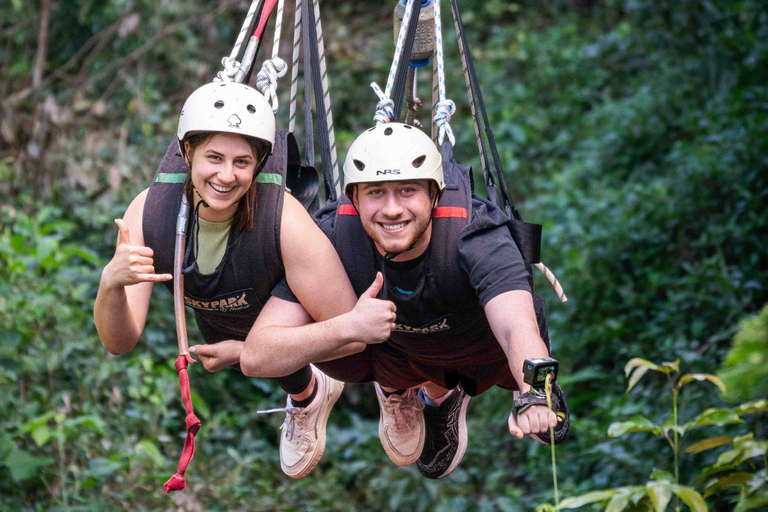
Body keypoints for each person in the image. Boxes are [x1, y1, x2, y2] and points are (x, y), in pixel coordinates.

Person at [93, 82, 396, 479]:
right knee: (234, 335)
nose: (226, 175)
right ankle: (307, 393)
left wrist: (249, 352)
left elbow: (349, 334)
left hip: (286, 300)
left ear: (259, 164)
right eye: (213, 158)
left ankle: (352, 390)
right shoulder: (148, 213)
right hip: (222, 312)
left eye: (241, 162)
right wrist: (111, 284)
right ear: (188, 153)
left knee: (269, 344)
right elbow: (119, 341)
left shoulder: (285, 220)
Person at [241, 123, 569, 479]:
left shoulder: (477, 234)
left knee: (517, 345)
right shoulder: (333, 237)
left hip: (476, 346)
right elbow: (257, 355)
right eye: (376, 192)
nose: (392, 209)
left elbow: (515, 324)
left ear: (434, 195)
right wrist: (347, 326)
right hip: (399, 354)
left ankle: (444, 393)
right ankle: (418, 392)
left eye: (408, 191)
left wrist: (535, 391)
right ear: (354, 198)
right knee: (342, 348)